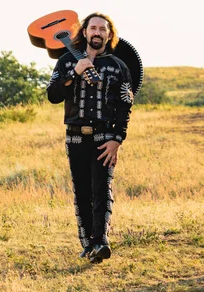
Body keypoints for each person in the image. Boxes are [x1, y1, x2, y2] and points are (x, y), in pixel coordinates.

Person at [47, 12, 133, 263]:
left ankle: (101, 241)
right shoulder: (65, 61)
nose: (97, 33)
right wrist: (75, 71)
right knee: (82, 191)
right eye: (92, 28)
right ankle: (88, 245)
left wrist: (117, 138)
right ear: (84, 32)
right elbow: (53, 95)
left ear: (109, 34)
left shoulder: (118, 66)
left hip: (105, 136)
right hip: (75, 137)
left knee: (101, 189)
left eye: (102, 29)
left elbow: (125, 106)